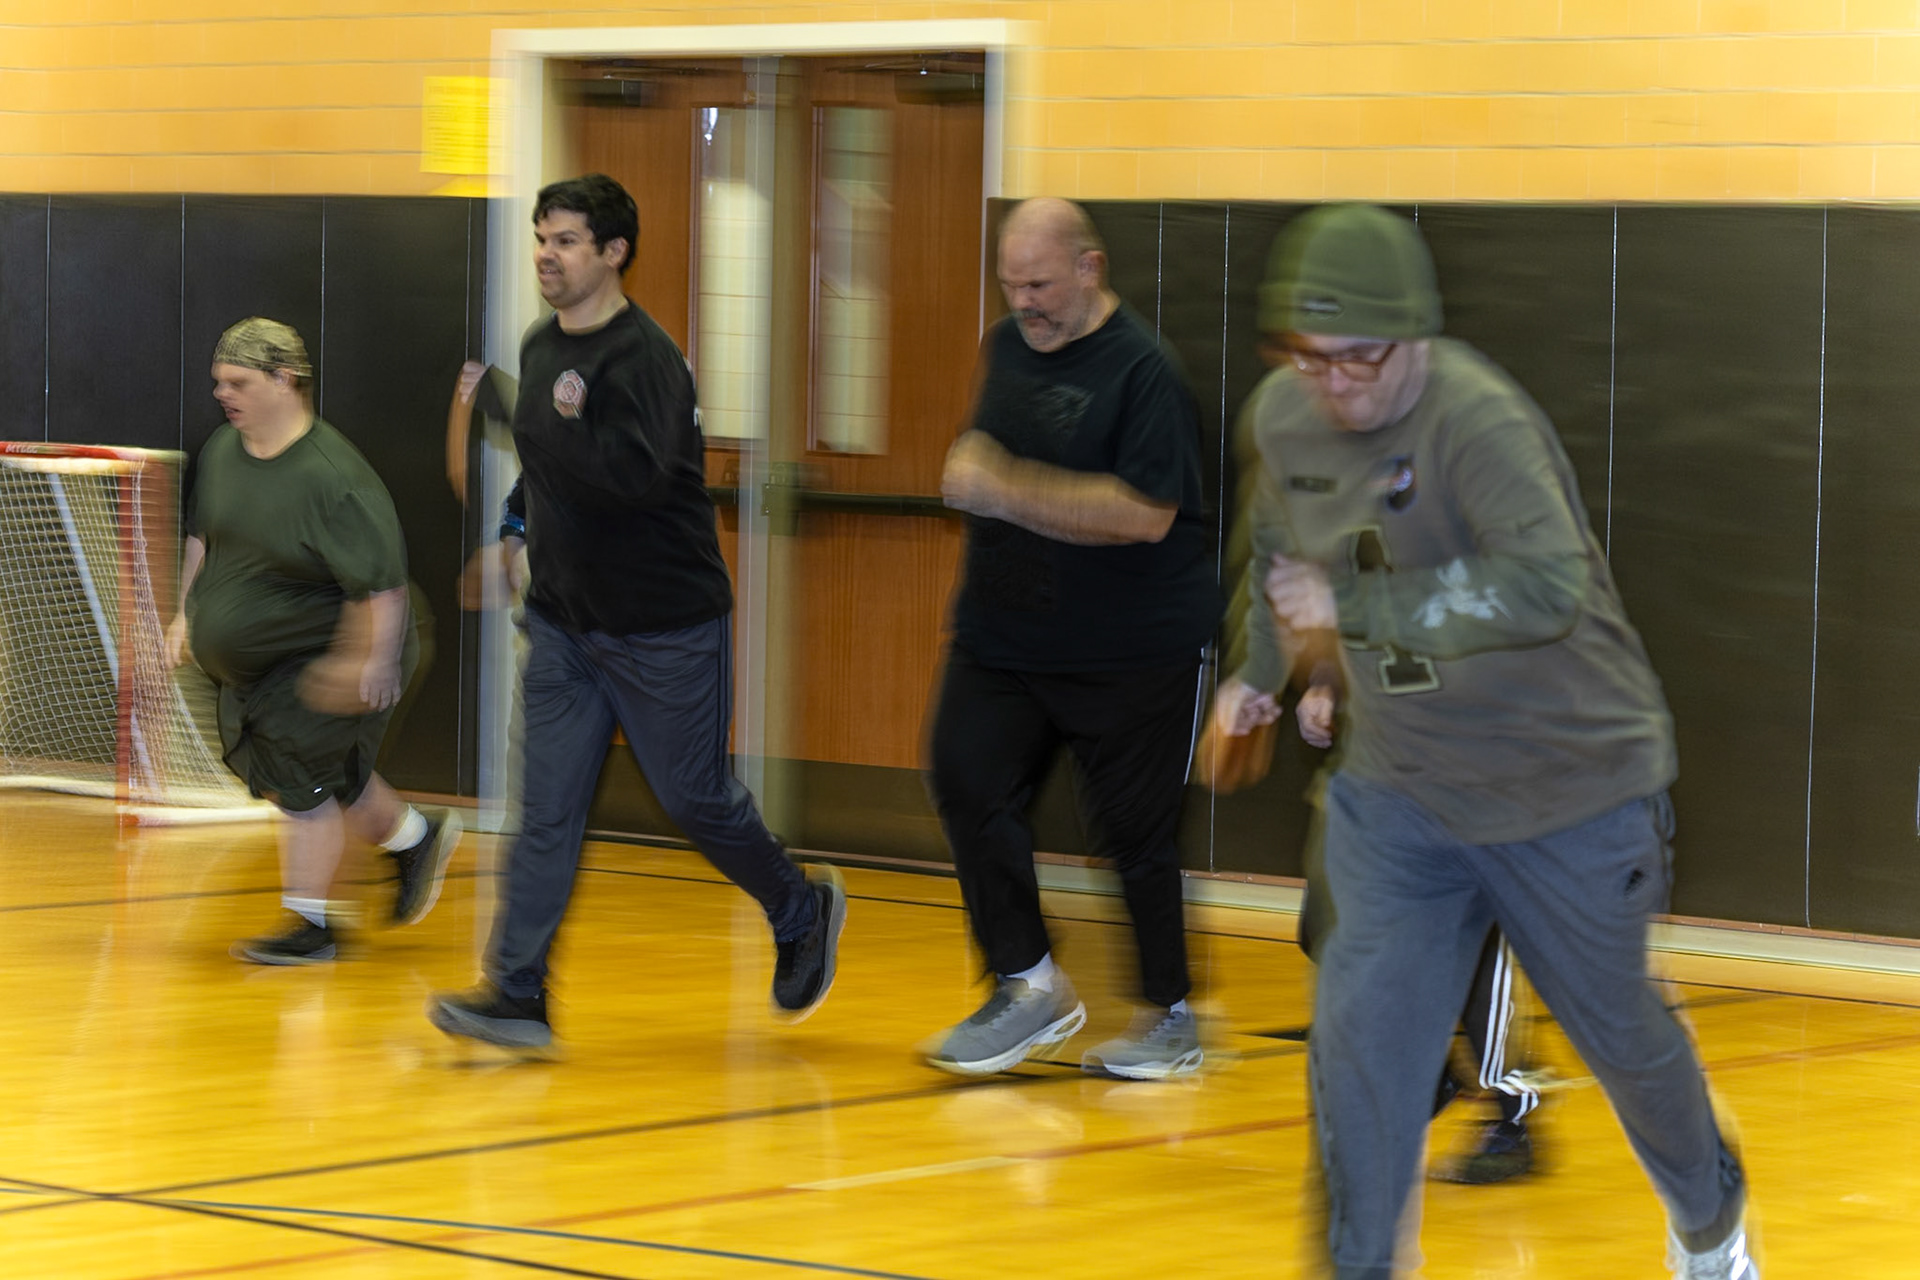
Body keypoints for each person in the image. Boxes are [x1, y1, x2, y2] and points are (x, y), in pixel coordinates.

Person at [1213, 205, 1756, 1278]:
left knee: (1618, 1034)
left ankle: (1710, 1216)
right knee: (1364, 1055)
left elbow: (1547, 587)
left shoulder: (1478, 421)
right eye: (1308, 356)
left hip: (1569, 789)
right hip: (1400, 796)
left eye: (1357, 357)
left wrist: (1356, 609)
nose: (1333, 382)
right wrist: (1257, 674)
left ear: (1412, 335)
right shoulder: (1286, 418)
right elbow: (1278, 553)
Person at [427, 174, 845, 1051]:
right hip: (564, 627)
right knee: (545, 809)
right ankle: (518, 992)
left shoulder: (646, 360)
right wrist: (513, 533)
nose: (546, 254)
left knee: (695, 798)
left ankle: (798, 906)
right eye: (542, 237)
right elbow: (544, 470)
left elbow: (631, 480)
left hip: (664, 629)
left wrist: (517, 414)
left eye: (566, 240)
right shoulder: (543, 344)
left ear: (614, 252)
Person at [924, 197, 1221, 1081]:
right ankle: (1028, 983)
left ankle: (1169, 1016)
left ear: (1090, 269)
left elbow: (1145, 513)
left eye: (1041, 285)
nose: (1025, 303)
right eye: (1012, 285)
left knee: (1134, 834)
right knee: (964, 778)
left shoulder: (1144, 372)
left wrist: (1003, 487)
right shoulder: (1007, 346)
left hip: (1130, 649)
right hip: (1002, 637)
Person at [168, 317, 460, 964]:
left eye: (237, 382)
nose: (221, 393)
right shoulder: (222, 450)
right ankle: (413, 838)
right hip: (265, 664)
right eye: (218, 381)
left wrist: (367, 662)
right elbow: (202, 536)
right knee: (318, 777)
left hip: (338, 652)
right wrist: (184, 616)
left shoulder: (334, 479)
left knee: (305, 781)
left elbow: (381, 585)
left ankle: (313, 926)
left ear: (284, 380)